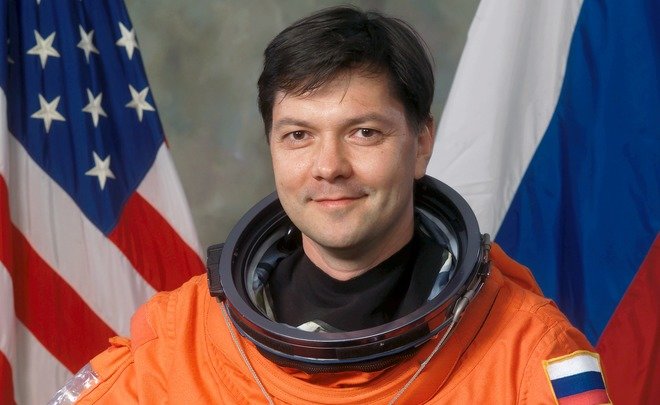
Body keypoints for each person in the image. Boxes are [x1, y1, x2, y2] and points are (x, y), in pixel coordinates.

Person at [50, 6, 611, 404]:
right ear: (272, 147)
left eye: (364, 132)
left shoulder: (526, 352)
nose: (328, 166)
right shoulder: (179, 343)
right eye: (298, 135)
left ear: (421, 144)